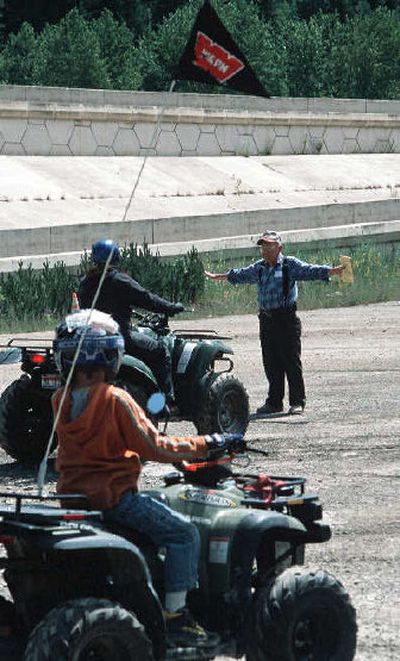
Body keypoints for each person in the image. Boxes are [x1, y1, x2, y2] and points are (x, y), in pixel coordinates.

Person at [52, 309, 245, 648]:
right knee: (184, 533)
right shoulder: (115, 399)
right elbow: (155, 446)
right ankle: (177, 617)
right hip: (115, 500)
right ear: (111, 356)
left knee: (158, 501)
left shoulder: (60, 399)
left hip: (75, 497)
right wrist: (208, 443)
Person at [205, 230, 344, 416]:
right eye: (263, 246)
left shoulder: (289, 265)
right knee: (271, 363)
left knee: (291, 362)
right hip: (266, 320)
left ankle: (297, 402)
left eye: (269, 245)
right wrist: (219, 276)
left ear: (279, 247)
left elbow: (310, 271)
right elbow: (241, 274)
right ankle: (274, 402)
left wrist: (331, 271)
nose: (265, 249)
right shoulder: (260, 267)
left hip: (286, 319)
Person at [78, 239, 184, 409]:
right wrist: (171, 308)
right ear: (116, 257)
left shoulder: (85, 282)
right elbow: (148, 299)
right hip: (120, 338)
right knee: (159, 350)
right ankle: (166, 402)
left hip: (92, 340)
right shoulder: (120, 281)